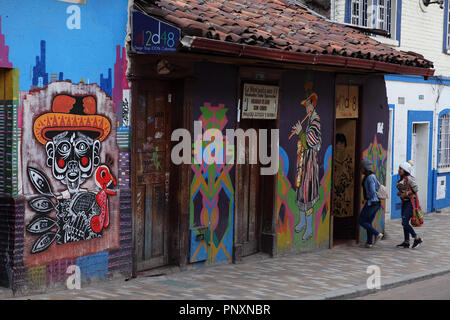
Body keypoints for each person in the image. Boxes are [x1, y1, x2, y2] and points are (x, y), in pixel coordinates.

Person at [292, 92, 321, 240]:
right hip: (304, 162)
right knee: (301, 190)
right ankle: (302, 221)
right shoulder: (309, 119)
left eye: (307, 105)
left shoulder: (315, 121)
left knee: (307, 192)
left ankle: (309, 227)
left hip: (310, 164)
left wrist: (300, 132)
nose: (306, 108)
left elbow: (310, 142)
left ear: (312, 105)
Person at [396, 162, 423, 249]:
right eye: (399, 168)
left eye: (401, 169)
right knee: (405, 222)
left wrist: (406, 193)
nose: (399, 170)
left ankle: (417, 238)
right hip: (405, 202)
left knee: (404, 222)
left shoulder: (409, 179)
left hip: (410, 203)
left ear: (405, 170)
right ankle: (406, 242)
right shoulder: (402, 179)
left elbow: (415, 189)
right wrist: (400, 193)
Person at [359, 160, 383, 248]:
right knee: (368, 222)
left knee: (361, 220)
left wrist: (367, 198)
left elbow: (372, 191)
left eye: (361, 167)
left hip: (372, 203)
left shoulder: (369, 177)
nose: (360, 169)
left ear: (364, 168)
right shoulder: (370, 176)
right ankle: (369, 242)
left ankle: (377, 234)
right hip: (373, 203)